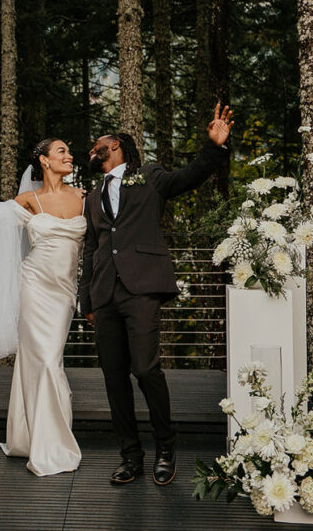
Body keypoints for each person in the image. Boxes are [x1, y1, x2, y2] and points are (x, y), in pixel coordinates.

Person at [79, 102, 234, 487]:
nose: (91, 148)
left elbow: (189, 177)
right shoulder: (92, 194)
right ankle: (130, 455)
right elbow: (91, 248)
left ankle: (166, 447)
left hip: (142, 287)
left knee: (146, 368)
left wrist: (214, 147)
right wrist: (87, 300)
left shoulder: (148, 176)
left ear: (115, 145)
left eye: (98, 143)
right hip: (104, 294)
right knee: (114, 377)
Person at [0, 137, 86, 477]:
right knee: (48, 362)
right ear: (44, 161)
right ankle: (51, 446)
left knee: (43, 362)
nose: (69, 155)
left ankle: (27, 434)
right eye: (62, 151)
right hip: (34, 288)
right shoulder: (30, 199)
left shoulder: (83, 197)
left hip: (64, 293)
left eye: (70, 150)